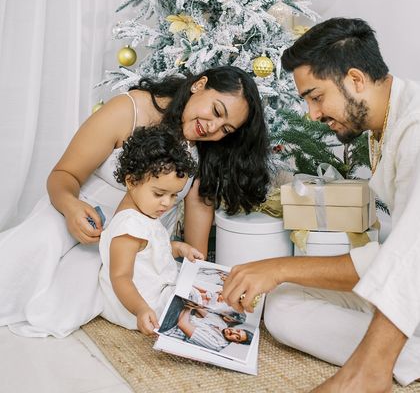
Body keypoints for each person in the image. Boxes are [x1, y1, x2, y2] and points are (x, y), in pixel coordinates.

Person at [222, 18, 420, 390]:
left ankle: (370, 371)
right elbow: (391, 260)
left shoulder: (416, 129)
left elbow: (411, 256)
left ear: (356, 80)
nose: (312, 114)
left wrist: (279, 266)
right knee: (283, 306)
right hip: (409, 282)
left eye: (316, 97)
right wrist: (278, 272)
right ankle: (407, 355)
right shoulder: (387, 124)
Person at [0, 65, 270, 338]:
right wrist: (70, 207)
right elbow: (63, 175)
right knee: (34, 249)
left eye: (225, 128)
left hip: (129, 243)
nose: (212, 128)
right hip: (75, 209)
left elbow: (195, 244)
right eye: (216, 111)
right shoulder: (130, 110)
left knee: (67, 301)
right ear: (199, 85)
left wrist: (195, 275)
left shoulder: (207, 151)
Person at [99, 125, 204, 334]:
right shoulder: (129, 227)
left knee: (200, 292)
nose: (167, 203)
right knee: (196, 305)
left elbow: (151, 250)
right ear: (131, 181)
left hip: (154, 291)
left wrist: (179, 248)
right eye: (159, 194)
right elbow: (120, 277)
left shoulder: (145, 213)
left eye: (174, 195)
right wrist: (140, 309)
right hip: (137, 303)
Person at [170, 303, 252, 352]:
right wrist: (193, 303)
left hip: (171, 326)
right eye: (237, 331)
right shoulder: (222, 325)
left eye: (237, 337)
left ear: (236, 342)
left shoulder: (217, 344)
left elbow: (182, 324)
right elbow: (198, 307)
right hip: (180, 313)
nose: (233, 332)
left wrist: (189, 307)